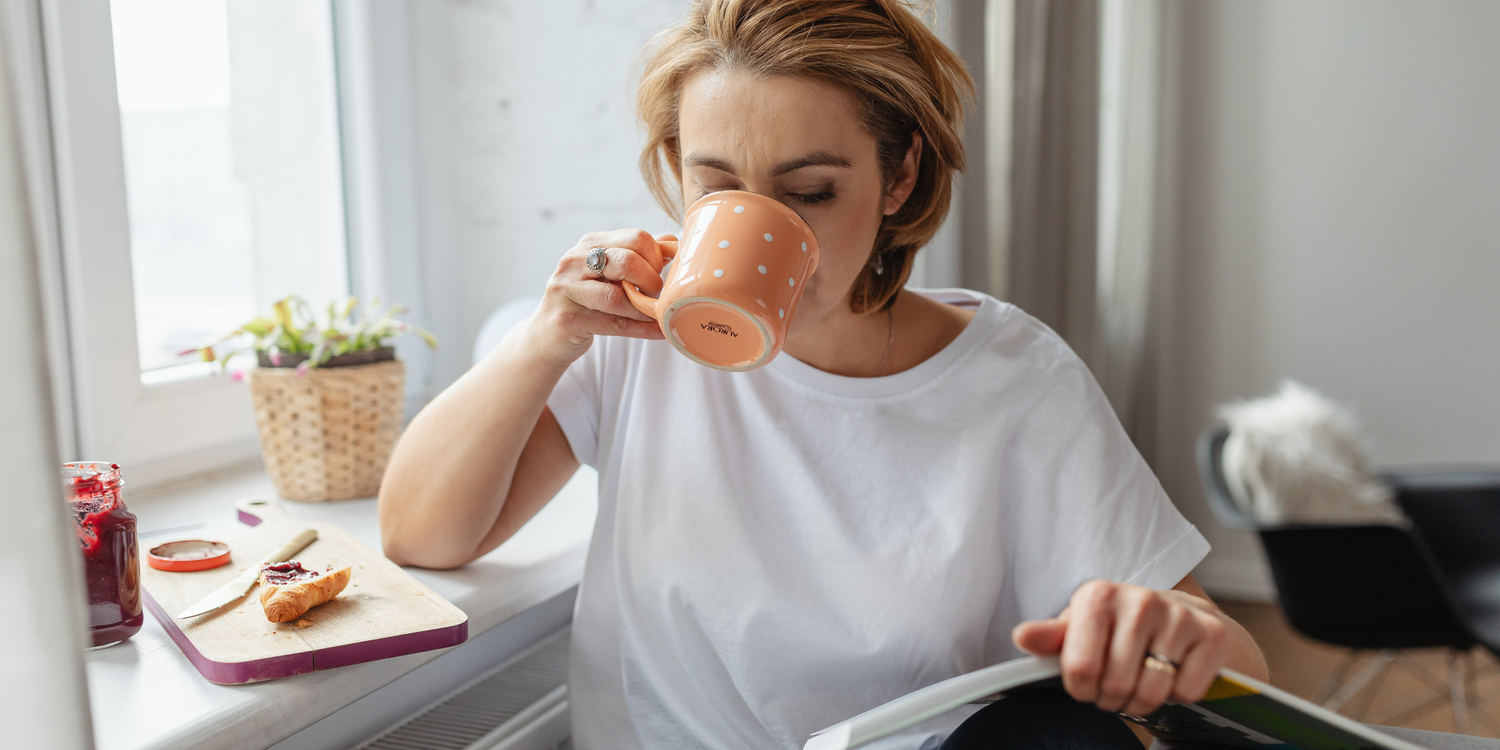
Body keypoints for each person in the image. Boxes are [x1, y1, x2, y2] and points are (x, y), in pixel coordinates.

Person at [378, 1, 1269, 748]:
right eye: (717, 188)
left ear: (900, 176)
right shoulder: (630, 336)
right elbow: (423, 534)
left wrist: (1178, 640)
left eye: (809, 193)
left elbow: (1240, 679)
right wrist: (549, 336)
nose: (764, 229)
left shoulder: (1013, 379)